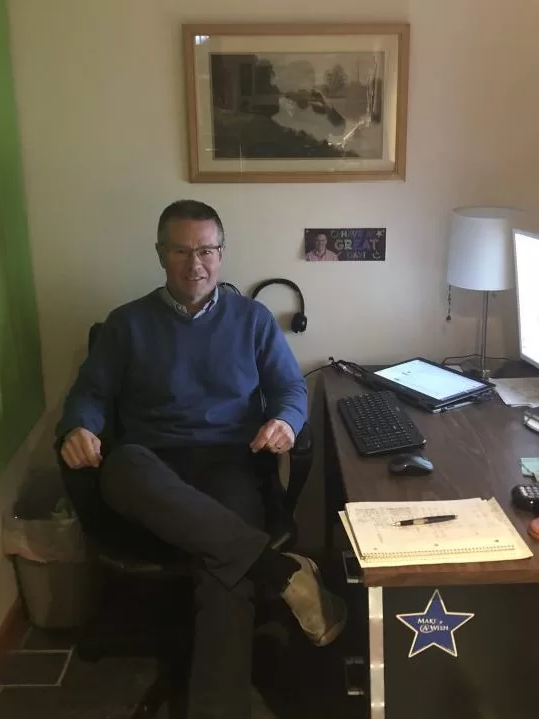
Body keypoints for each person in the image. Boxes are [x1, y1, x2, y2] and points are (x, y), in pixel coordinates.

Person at [56, 200, 346, 719]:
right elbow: (90, 393)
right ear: (161, 255)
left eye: (208, 250)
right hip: (151, 466)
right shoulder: (127, 324)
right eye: (182, 250)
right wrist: (80, 425)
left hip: (229, 463)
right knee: (121, 468)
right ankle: (277, 570)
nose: (197, 264)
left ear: (222, 253)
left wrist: (285, 421)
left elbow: (289, 391)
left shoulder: (253, 320)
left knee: (224, 573)